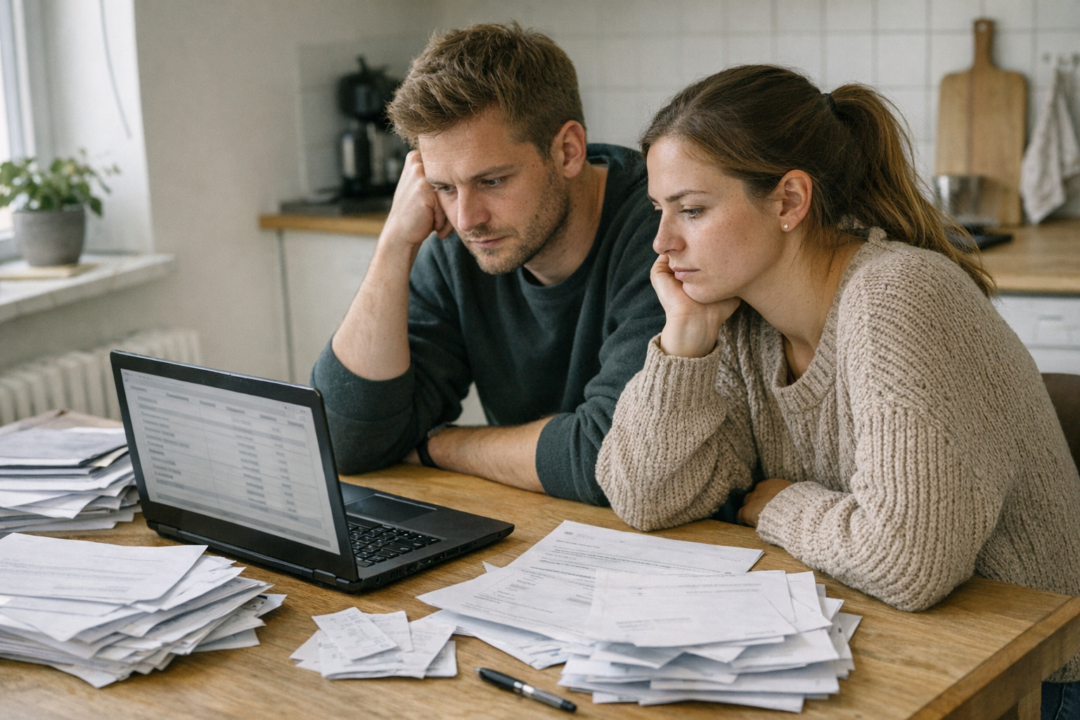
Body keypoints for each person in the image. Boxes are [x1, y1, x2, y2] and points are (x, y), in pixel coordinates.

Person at [595, 65, 1080, 705]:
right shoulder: (742, 322)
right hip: (895, 647)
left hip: (1031, 683)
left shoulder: (896, 296)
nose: (662, 241)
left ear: (791, 201)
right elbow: (643, 496)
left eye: (691, 210)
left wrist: (777, 504)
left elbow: (907, 563)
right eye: (660, 210)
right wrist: (685, 339)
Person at [311, 23, 664, 505]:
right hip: (540, 529)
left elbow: (610, 457)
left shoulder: (662, 231)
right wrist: (395, 243)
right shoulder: (461, 239)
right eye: (443, 187)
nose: (467, 218)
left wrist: (440, 444)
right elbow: (344, 439)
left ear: (567, 150)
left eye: (493, 181)